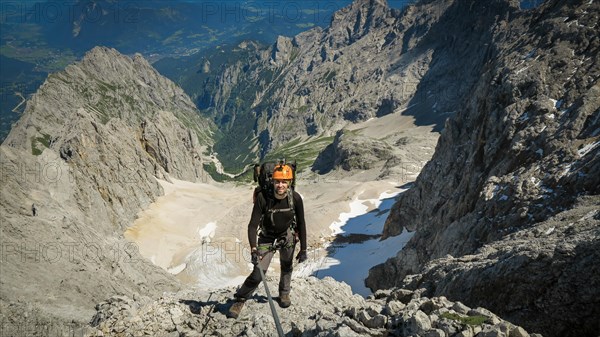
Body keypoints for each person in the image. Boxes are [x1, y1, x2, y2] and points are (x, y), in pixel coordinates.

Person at [227, 164, 308, 319]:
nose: (280, 185)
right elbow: (252, 225)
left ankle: (284, 294)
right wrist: (253, 248)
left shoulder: (295, 198)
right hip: (267, 237)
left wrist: (304, 249)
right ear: (272, 181)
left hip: (287, 235)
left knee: (287, 266)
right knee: (258, 273)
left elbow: (302, 223)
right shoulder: (263, 198)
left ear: (289, 182)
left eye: (284, 182)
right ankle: (240, 299)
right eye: (278, 181)